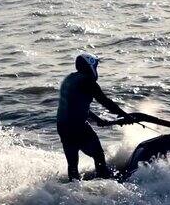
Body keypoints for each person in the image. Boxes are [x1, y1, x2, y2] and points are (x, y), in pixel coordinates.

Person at [56, 52, 135, 181]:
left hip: (63, 126)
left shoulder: (69, 79)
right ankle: (104, 182)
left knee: (72, 164)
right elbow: (106, 102)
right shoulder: (88, 81)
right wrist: (125, 116)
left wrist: (97, 119)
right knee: (98, 155)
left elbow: (75, 107)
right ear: (90, 66)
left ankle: (73, 190)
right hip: (78, 127)